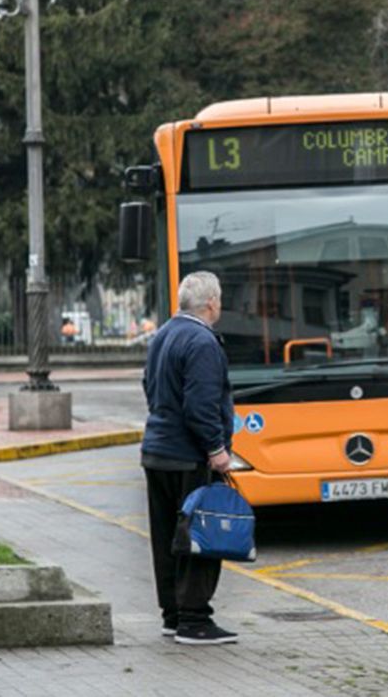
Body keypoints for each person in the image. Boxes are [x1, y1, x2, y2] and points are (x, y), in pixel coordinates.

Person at [141, 271, 236, 645]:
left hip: (157, 452)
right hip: (188, 458)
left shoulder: (162, 335)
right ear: (211, 303)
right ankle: (195, 619)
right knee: (200, 535)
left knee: (166, 537)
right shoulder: (202, 342)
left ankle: (173, 615)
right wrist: (217, 450)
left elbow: (149, 386)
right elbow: (201, 405)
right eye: (221, 299)